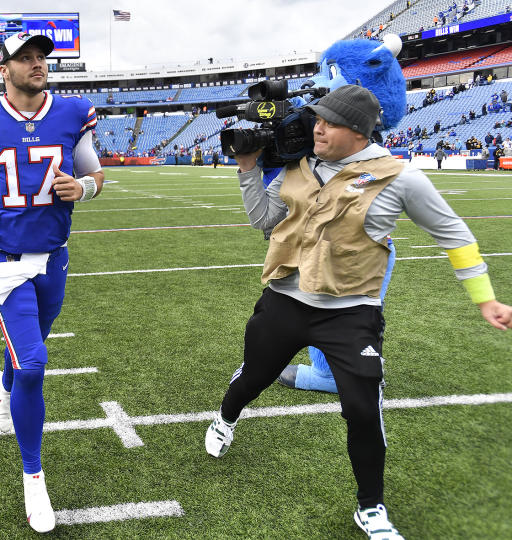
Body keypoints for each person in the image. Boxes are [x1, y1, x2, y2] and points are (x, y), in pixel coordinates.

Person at [205, 85, 512, 540]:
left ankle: (371, 507)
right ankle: (225, 419)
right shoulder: (298, 164)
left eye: (328, 122)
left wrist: (485, 298)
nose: (318, 128)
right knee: (253, 378)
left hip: (351, 313)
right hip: (286, 300)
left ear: (357, 130)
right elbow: (264, 221)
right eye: (317, 120)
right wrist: (248, 167)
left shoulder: (400, 176)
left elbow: (454, 233)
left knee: (364, 410)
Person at [0, 32, 103, 534]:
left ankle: (2, 383)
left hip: (53, 256)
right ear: (3, 69)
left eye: (41, 58)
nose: (37, 65)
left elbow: (96, 174)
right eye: (25, 59)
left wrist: (85, 188)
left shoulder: (74, 112)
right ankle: (34, 476)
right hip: (3, 258)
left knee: (25, 355)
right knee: (33, 363)